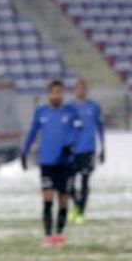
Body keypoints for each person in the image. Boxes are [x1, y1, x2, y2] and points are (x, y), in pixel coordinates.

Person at [21, 80, 79, 247]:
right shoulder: (41, 113)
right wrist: (24, 153)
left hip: (65, 163)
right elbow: (32, 133)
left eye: (59, 92)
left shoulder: (71, 112)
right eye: (53, 92)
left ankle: (59, 235)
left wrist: (71, 145)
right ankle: (47, 236)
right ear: (48, 94)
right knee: (47, 198)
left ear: (63, 94)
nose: (56, 95)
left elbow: (77, 132)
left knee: (63, 200)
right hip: (47, 162)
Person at [68, 79, 105, 224]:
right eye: (78, 89)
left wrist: (103, 148)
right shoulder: (69, 108)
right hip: (72, 151)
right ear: (74, 91)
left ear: (86, 91)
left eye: (83, 89)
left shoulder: (94, 107)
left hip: (88, 150)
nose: (81, 91)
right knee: (69, 183)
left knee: (85, 181)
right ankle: (77, 205)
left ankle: (80, 213)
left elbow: (100, 129)